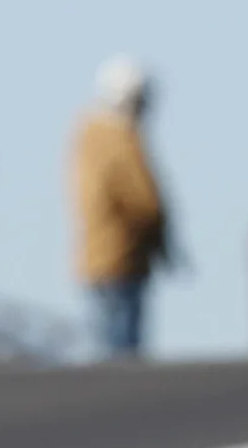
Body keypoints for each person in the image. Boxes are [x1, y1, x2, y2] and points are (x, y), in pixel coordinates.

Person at [69, 55, 174, 358]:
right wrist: (161, 234)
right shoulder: (119, 139)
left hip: (96, 259)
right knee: (122, 353)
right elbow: (145, 201)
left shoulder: (87, 136)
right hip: (121, 259)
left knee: (107, 348)